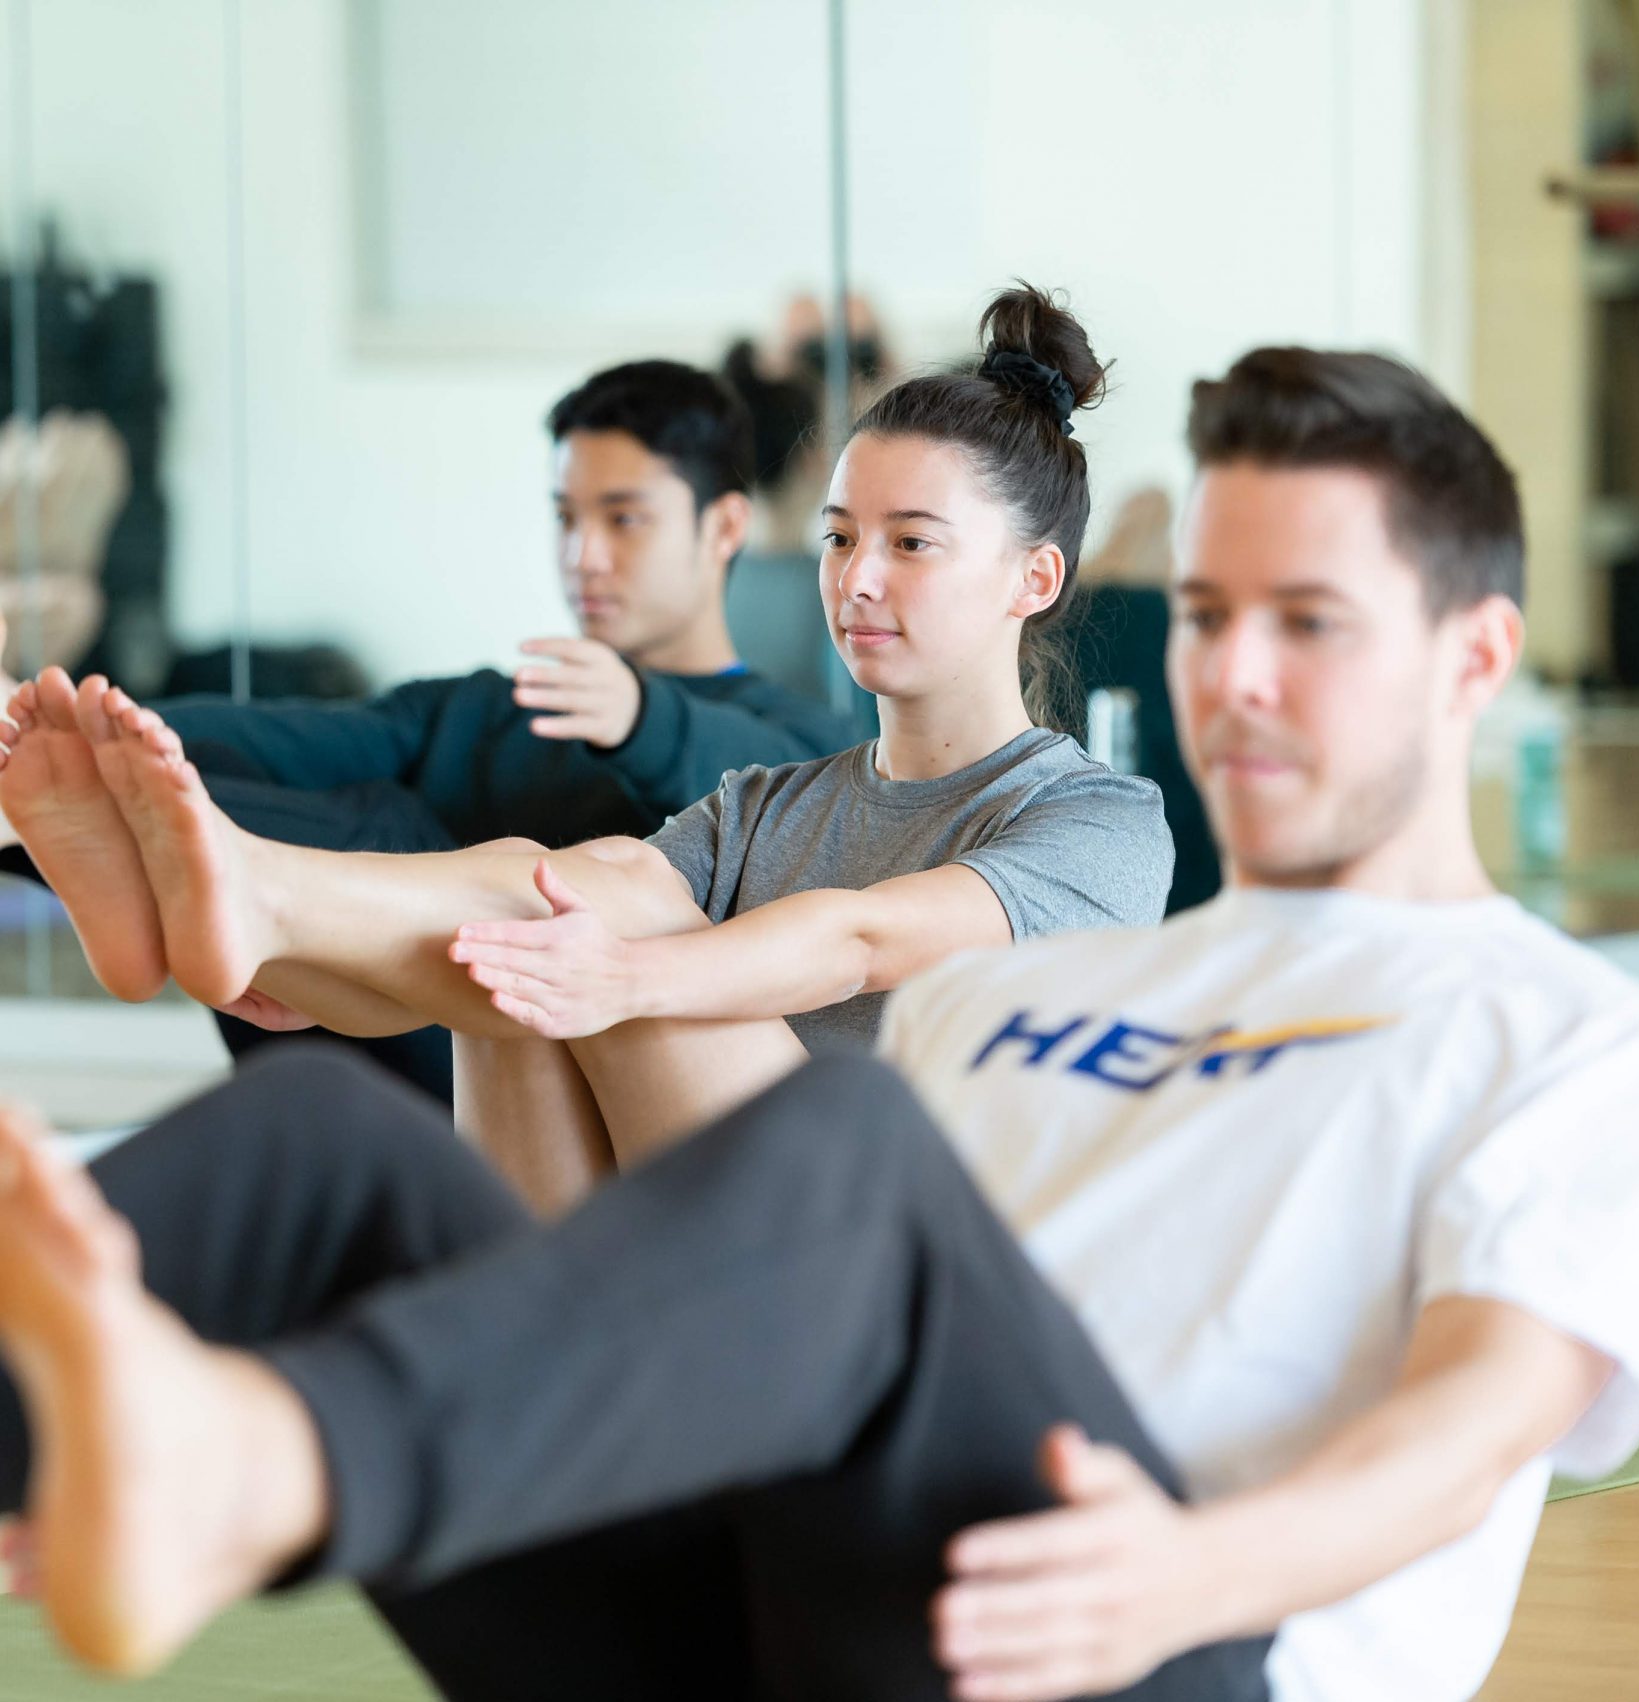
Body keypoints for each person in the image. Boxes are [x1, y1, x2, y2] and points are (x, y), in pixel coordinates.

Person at [1, 346, 1639, 1701]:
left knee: (834, 1117)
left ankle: (270, 1458)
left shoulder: (1579, 1043)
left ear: (1475, 656)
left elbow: (1466, 1429)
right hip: (814, 1582)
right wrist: (291, 956)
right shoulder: (1083, 998)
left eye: (1307, 624)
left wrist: (1193, 1571)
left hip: (1154, 1638)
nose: (1233, 675)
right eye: (1203, 616)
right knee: (319, 1144)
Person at [1, 285, 1173, 1209]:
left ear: (1036, 576)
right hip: (687, 1255)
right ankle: (253, 904)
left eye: (912, 543)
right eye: (838, 537)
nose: (856, 578)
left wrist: (626, 969)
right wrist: (315, 968)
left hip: (887, 1276)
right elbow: (543, 904)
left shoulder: (1098, 823)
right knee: (555, 908)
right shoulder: (768, 801)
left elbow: (856, 939)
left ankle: (260, 890)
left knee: (600, 932)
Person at [0, 361, 858, 1100]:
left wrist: (642, 717)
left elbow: (775, 802)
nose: (584, 555)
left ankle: (108, 823)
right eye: (567, 517)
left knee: (391, 832)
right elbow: (292, 739)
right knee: (294, 779)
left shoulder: (793, 735)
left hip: (559, 1087)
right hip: (347, 1076)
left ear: (726, 527)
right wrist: (77, 729)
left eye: (623, 518)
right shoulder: (493, 705)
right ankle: (47, 789)